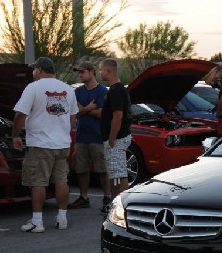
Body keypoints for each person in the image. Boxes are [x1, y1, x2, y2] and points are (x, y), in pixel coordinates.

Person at [12, 57, 79, 232]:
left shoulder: (33, 88)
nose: (33, 73)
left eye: (34, 70)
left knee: (38, 182)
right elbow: (73, 118)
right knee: (61, 180)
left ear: (40, 70)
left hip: (41, 144)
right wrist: (63, 131)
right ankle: (62, 218)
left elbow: (20, 115)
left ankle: (37, 221)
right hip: (62, 143)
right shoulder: (68, 89)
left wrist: (15, 136)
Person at [68, 61, 111, 213]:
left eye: (83, 72)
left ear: (92, 72)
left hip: (98, 137)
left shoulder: (102, 91)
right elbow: (74, 113)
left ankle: (107, 197)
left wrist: (84, 110)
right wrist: (89, 108)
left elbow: (102, 114)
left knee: (102, 169)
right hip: (81, 137)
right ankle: (83, 197)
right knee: (81, 169)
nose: (80, 75)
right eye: (79, 72)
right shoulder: (77, 92)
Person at [99, 58, 132, 201]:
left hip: (116, 139)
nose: (99, 72)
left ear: (108, 71)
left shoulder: (116, 91)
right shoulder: (115, 89)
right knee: (114, 173)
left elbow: (117, 115)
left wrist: (112, 138)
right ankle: (114, 203)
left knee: (119, 173)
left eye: (100, 69)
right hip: (115, 139)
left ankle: (121, 205)